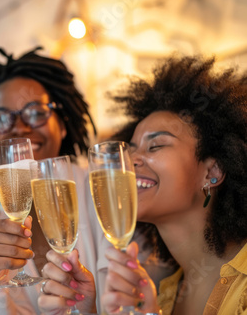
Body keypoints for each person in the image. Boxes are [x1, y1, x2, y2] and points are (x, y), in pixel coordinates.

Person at [0, 47, 107, 314]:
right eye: (1, 118)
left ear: (62, 124)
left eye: (36, 112)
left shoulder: (101, 187)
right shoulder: (3, 221)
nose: (20, 128)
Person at [96, 56, 247, 314]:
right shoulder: (162, 294)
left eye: (155, 145)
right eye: (128, 151)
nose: (130, 161)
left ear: (212, 172)